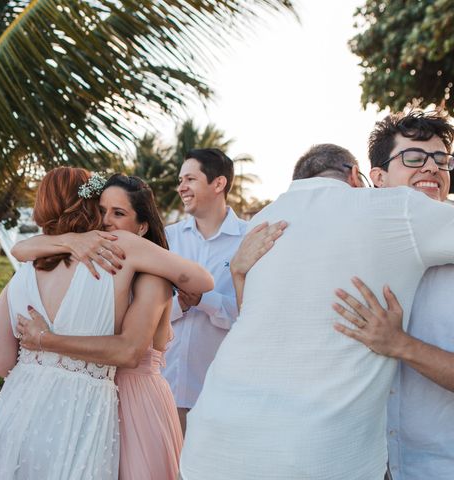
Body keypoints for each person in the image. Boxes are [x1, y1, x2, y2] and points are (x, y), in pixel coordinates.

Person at [181, 142, 454, 480]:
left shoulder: (264, 222)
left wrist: (238, 273)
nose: (429, 168)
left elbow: (258, 325)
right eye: (413, 159)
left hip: (210, 442)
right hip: (313, 454)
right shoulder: (394, 208)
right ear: (359, 177)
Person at [0, 167, 213, 480]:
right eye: (102, 210)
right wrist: (71, 240)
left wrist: (46, 346)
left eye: (118, 212)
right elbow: (20, 249)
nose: (106, 221)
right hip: (84, 406)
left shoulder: (37, 267)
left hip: (75, 403)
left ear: (143, 226)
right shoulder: (85, 252)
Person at [332, 111, 454, 480]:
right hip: (365, 466)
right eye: (414, 158)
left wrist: (399, 344)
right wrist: (241, 272)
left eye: (442, 160)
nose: (432, 168)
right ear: (378, 177)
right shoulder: (346, 247)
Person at [163, 148, 247, 433]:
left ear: (218, 183)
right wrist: (181, 305)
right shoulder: (167, 239)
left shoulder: (249, 240)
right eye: (180, 179)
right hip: (163, 393)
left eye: (190, 179)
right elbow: (145, 309)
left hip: (219, 399)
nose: (181, 187)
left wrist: (205, 300)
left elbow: (253, 316)